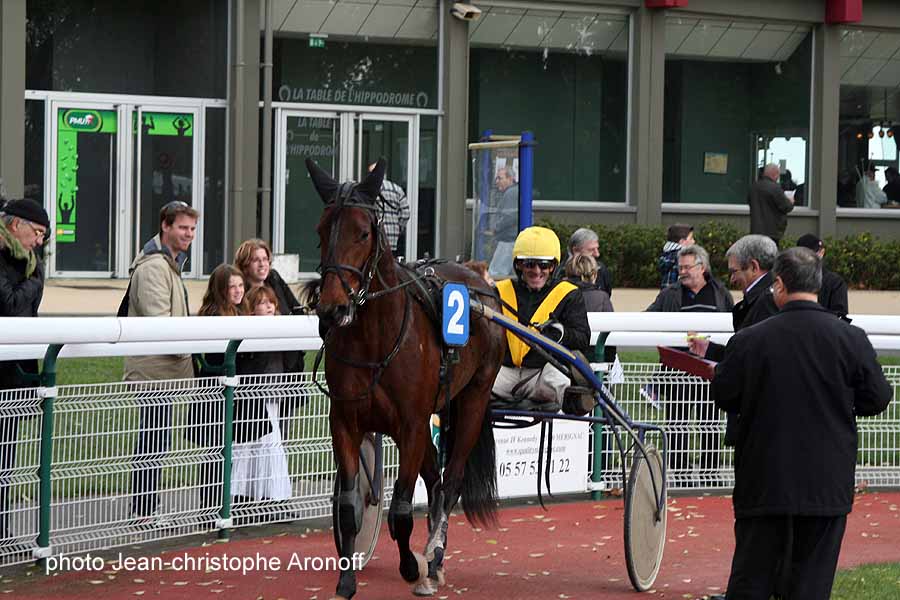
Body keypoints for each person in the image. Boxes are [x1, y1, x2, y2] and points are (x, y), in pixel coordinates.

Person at [710, 247, 892, 599]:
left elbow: (724, 394)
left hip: (764, 477)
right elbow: (878, 397)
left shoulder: (750, 339)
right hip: (826, 480)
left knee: (752, 578)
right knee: (811, 582)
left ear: (778, 284)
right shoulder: (850, 338)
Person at [124, 200, 198, 524]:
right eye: (183, 228)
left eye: (193, 229)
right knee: (152, 442)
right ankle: (144, 511)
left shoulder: (169, 263)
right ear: (165, 226)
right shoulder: (154, 267)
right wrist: (190, 350)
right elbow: (159, 323)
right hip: (154, 371)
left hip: (163, 370)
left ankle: (147, 508)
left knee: (157, 441)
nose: (189, 235)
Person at [646, 244, 733, 486]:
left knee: (710, 424)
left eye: (687, 267)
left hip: (709, 371)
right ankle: (681, 476)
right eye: (679, 267)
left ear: (702, 268)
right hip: (679, 371)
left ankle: (709, 475)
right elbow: (648, 318)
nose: (681, 272)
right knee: (677, 424)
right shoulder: (669, 294)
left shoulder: (720, 294)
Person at [688, 235, 780, 447]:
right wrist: (710, 350)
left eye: (734, 272)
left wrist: (721, 368)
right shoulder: (764, 299)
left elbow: (752, 357)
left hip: (758, 417)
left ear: (754, 267)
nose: (731, 280)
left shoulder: (765, 302)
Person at [491, 226, 591, 414]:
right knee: (474, 380)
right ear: (518, 265)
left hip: (542, 373)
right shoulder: (499, 291)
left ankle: (576, 402)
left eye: (544, 265)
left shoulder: (569, 294)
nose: (537, 271)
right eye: (529, 264)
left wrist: (560, 333)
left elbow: (582, 338)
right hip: (503, 372)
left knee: (558, 378)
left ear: (553, 266)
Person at [0, 198, 49, 545]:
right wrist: (35, 278)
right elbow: (11, 305)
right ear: (15, 225)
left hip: (15, 372)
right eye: (37, 234)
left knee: (6, 460)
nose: (39, 243)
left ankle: (2, 530)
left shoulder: (28, 262)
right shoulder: (14, 261)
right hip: (5, 369)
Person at [189, 263, 248, 518]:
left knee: (227, 452)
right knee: (214, 452)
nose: (237, 291)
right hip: (213, 391)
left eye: (240, 286)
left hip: (229, 390)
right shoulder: (213, 315)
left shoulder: (239, 312)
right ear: (220, 289)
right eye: (231, 287)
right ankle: (210, 508)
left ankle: (223, 506)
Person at [230, 285, 292, 510]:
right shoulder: (249, 330)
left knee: (271, 444)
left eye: (271, 303)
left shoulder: (282, 328)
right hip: (253, 397)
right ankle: (240, 493)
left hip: (273, 396)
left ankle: (271, 495)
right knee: (247, 446)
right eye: (262, 303)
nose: (268, 307)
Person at [565, 254, 615, 363]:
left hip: (564, 358)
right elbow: (610, 337)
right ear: (594, 274)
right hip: (594, 359)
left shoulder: (559, 294)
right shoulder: (602, 297)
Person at [796, 233, 848, 317]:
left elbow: (840, 314)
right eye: (804, 254)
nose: (808, 257)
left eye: (812, 253)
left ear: (822, 253)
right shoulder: (790, 279)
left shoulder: (835, 282)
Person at [555, 228, 613, 297]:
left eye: (597, 248)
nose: (597, 254)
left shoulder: (601, 270)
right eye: (591, 250)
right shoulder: (560, 274)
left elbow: (606, 296)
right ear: (575, 250)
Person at [369, 162, 409, 256]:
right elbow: (405, 214)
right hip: (392, 237)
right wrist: (398, 227)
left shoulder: (370, 189)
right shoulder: (396, 189)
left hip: (375, 236)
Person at [748, 163, 794, 243]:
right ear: (774, 174)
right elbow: (786, 207)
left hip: (755, 231)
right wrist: (791, 202)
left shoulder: (754, 187)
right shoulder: (775, 188)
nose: (778, 178)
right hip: (771, 232)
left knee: (756, 253)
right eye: (778, 175)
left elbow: (749, 201)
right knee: (770, 254)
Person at [658, 223, 694, 288]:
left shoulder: (667, 254)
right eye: (691, 238)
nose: (693, 241)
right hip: (678, 294)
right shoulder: (682, 256)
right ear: (682, 241)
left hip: (666, 293)